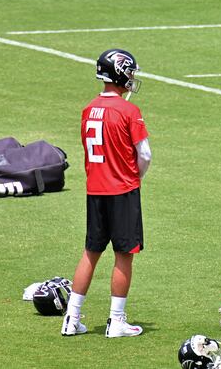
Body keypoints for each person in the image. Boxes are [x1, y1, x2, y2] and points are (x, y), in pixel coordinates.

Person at [61, 49, 151, 337]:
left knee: (91, 252)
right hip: (122, 189)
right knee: (124, 254)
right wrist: (133, 177)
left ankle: (71, 319)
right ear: (120, 73)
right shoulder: (128, 110)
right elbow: (145, 155)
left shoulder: (89, 109)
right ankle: (116, 321)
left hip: (95, 189)